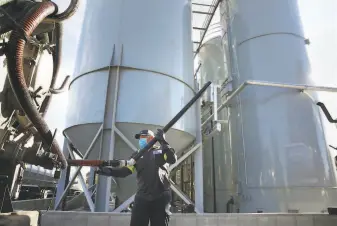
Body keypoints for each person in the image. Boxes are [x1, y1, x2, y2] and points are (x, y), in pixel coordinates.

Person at [96, 129, 177, 226]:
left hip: (160, 196)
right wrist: (109, 171)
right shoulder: (136, 155)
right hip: (142, 197)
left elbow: (172, 159)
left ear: (151, 138)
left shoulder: (161, 151)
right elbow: (125, 171)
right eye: (139, 138)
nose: (140, 140)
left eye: (143, 137)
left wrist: (163, 141)